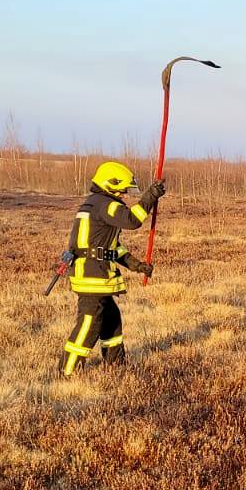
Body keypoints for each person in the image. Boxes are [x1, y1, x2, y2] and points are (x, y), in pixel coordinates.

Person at [57, 161, 165, 376]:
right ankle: (67, 372)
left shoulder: (96, 204)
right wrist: (151, 196)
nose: (124, 194)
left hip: (95, 273)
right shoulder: (106, 204)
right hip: (92, 276)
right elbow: (132, 220)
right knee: (89, 323)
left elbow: (111, 248)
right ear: (110, 184)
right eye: (122, 190)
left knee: (111, 320)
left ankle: (115, 366)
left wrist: (137, 265)